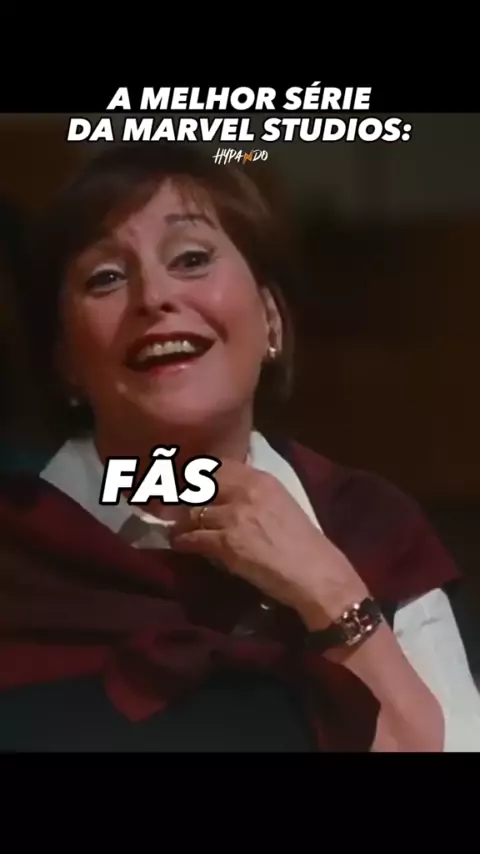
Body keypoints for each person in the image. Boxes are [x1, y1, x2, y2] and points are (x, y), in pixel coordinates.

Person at [0, 143, 479, 753]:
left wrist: (328, 590)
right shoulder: (16, 553)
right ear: (67, 361)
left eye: (192, 259)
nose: (153, 297)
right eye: (107, 278)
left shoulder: (368, 528)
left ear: (271, 319)